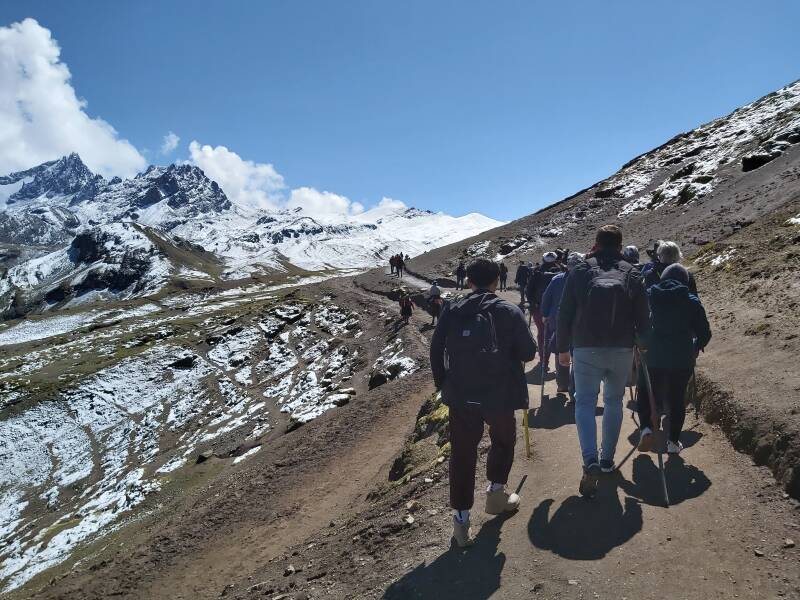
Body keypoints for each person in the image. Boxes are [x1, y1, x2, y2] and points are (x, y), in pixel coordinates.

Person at [430, 258, 537, 547]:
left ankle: (461, 523)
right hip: (500, 394)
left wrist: (443, 384)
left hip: (461, 395)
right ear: (495, 281)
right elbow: (528, 353)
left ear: (468, 281)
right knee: (503, 440)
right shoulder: (509, 311)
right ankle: (496, 493)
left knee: (463, 454)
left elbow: (436, 348)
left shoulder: (452, 309)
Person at [557, 225, 650, 497]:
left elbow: (565, 312)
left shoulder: (580, 270)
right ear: (620, 246)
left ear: (595, 244)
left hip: (585, 346)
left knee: (585, 401)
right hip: (621, 347)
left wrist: (562, 347)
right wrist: (643, 346)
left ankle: (590, 460)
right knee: (613, 401)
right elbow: (644, 315)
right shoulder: (632, 272)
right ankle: (607, 459)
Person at [638, 263, 711, 454]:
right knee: (677, 397)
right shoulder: (691, 300)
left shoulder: (649, 295)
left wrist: (641, 343)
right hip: (681, 358)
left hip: (653, 356)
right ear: (686, 281)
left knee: (646, 390)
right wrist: (696, 347)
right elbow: (705, 333)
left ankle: (645, 427)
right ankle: (673, 442)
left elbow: (641, 324)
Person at [541, 252, 583, 394]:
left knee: (561, 351)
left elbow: (546, 299)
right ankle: (574, 388)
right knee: (576, 355)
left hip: (558, 322)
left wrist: (545, 314)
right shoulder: (588, 280)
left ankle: (562, 384)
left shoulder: (557, 279)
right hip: (579, 325)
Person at [526, 252, 565, 369]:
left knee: (543, 334)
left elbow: (529, 290)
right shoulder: (561, 271)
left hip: (539, 308)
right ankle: (561, 364)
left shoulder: (537, 272)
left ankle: (544, 361)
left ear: (543, 259)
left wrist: (532, 304)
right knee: (560, 333)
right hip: (559, 309)